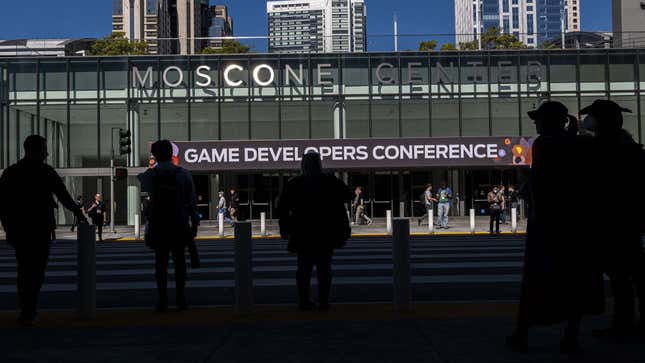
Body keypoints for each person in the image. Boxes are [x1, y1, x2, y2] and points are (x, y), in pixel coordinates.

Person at [506, 101, 604, 354]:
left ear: (549, 120)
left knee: (537, 282)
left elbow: (544, 182)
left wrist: (527, 180)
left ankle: (522, 334)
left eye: (538, 118)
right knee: (575, 282)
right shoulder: (579, 143)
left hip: (548, 224)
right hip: (577, 225)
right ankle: (570, 336)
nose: (535, 123)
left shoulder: (544, 144)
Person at [0, 135, 86, 325]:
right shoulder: (45, 171)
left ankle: (26, 309)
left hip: (18, 228)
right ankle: (30, 310)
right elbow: (63, 195)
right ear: (38, 150)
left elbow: (2, 202)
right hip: (39, 227)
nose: (47, 153)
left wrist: (7, 226)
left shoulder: (11, 172)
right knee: (37, 269)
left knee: (23, 268)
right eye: (45, 149)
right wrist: (78, 213)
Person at [580, 99, 645, 338]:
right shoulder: (628, 146)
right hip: (628, 221)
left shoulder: (603, 148)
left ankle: (623, 325)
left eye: (592, 117)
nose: (588, 121)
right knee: (632, 274)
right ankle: (627, 323)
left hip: (613, 222)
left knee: (622, 277)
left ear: (601, 120)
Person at [278, 152, 353, 311]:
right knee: (324, 268)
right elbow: (349, 194)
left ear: (303, 165)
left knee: (303, 268)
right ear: (319, 164)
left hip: (302, 231)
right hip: (324, 231)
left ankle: (303, 300)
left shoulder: (295, 183)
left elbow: (282, 208)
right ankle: (324, 301)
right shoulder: (328, 181)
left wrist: (284, 228)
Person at [139, 140, 199, 312]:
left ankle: (162, 299)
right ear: (171, 153)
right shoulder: (183, 174)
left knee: (161, 263)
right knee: (180, 262)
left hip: (159, 224)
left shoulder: (150, 175)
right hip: (179, 223)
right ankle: (181, 298)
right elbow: (192, 202)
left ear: (156, 155)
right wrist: (194, 222)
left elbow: (142, 180)